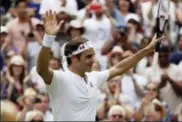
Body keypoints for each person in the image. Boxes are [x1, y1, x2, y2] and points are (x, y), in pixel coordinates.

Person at [36, 10, 164, 121]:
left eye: (93, 55)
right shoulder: (60, 79)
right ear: (74, 59)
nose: (94, 60)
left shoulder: (94, 77)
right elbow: (41, 69)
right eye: (88, 57)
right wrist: (48, 39)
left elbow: (119, 68)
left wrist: (146, 50)